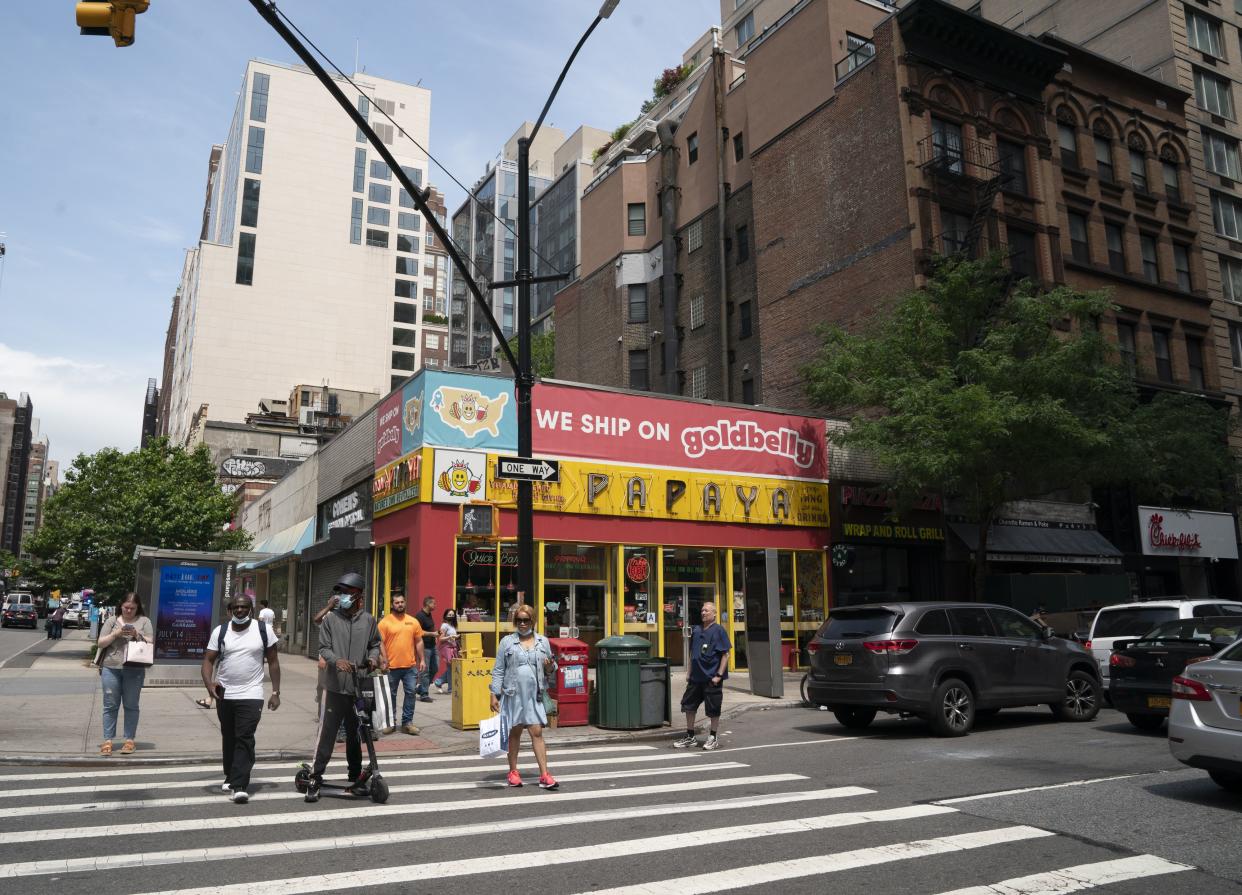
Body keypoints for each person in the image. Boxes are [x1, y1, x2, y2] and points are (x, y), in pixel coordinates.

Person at [304, 572, 381, 803]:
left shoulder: (368, 620)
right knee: (326, 734)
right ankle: (315, 778)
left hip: (357, 686)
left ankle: (355, 775)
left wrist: (373, 658)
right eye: (341, 592)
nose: (343, 597)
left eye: (348, 593)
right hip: (333, 687)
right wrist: (336, 661)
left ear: (359, 596)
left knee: (356, 733)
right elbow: (324, 647)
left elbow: (374, 644)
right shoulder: (331, 619)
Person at [200, 595, 281, 803]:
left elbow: (273, 662)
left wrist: (275, 692)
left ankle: (239, 785)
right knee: (229, 736)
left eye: (244, 607)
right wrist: (210, 685)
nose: (239, 610)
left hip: (252, 693)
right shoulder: (221, 631)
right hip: (225, 693)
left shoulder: (263, 630)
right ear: (229, 610)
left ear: (251, 610)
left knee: (244, 736)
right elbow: (208, 660)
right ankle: (230, 774)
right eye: (235, 607)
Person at [489, 604, 558, 790]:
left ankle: (544, 774)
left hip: (534, 695)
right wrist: (493, 694)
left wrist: (549, 666)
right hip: (513, 694)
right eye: (518, 620)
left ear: (532, 621)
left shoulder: (543, 642)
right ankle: (513, 772)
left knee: (537, 732)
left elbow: (552, 667)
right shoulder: (507, 642)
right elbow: (498, 670)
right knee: (515, 733)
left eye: (525, 620)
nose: (522, 623)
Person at [95, 593, 154, 756]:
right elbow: (100, 643)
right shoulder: (112, 621)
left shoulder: (144, 621)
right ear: (121, 606)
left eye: (132, 608)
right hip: (111, 667)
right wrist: (116, 634)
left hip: (134, 668)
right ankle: (107, 740)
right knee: (110, 705)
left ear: (138, 608)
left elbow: (151, 642)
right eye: (126, 607)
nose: (128, 610)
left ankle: (129, 740)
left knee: (131, 705)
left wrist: (137, 635)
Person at [673, 602, 731, 751]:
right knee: (688, 706)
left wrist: (718, 675)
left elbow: (725, 654)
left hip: (711, 678)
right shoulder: (697, 630)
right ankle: (690, 736)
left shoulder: (719, 631)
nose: (703, 613)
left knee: (713, 709)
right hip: (695, 678)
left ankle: (713, 737)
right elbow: (694, 653)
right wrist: (689, 672)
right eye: (702, 610)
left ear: (714, 613)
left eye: (706, 610)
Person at [377, 590, 426, 735]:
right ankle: (390, 723)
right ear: (392, 604)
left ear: (405, 603)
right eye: (397, 602)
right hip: (391, 667)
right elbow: (380, 643)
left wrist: (422, 659)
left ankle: (407, 723)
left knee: (411, 693)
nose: (400, 604)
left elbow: (419, 641)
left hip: (410, 666)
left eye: (402, 602)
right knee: (390, 695)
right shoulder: (385, 622)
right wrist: (383, 660)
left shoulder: (413, 621)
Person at [413, 595, 437, 702]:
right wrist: (432, 634)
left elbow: (430, 627)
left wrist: (435, 636)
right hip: (425, 647)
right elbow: (418, 632)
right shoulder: (419, 616)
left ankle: (421, 688)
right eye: (434, 603)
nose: (435, 605)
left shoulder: (429, 614)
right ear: (428, 604)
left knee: (435, 667)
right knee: (425, 671)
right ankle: (424, 694)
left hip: (433, 646)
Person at [432, 609, 459, 694]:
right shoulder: (444, 625)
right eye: (449, 615)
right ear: (445, 616)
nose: (451, 616)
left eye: (452, 615)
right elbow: (440, 638)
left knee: (451, 668)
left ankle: (439, 682)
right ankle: (450, 688)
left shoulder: (452, 625)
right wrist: (450, 637)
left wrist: (456, 637)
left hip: (453, 648)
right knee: (451, 668)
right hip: (447, 649)